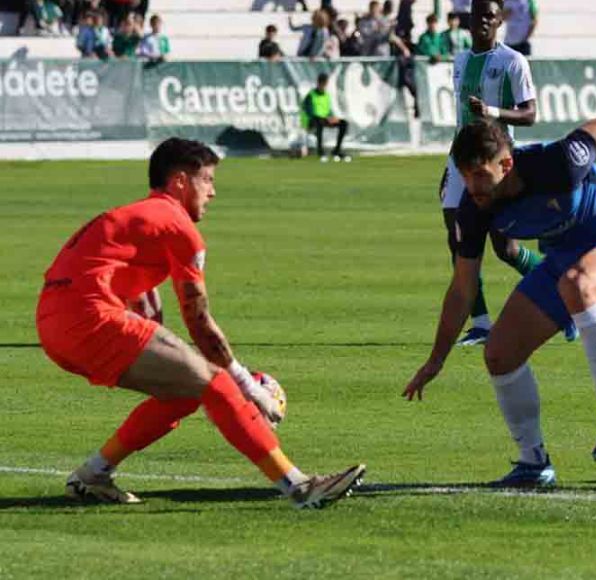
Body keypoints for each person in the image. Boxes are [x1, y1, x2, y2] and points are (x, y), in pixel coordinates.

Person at [37, 138, 365, 508]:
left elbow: (124, 281)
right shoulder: (178, 226)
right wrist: (248, 387)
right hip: (89, 319)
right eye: (206, 180)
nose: (213, 192)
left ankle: (94, 474)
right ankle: (301, 487)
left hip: (54, 324)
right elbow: (200, 323)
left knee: (183, 392)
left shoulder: (143, 217)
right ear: (180, 181)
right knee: (216, 380)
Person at [403, 89, 596, 487]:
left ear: (506, 163)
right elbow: (462, 288)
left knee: (578, 284)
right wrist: (435, 360)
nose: (472, 187)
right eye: (464, 176)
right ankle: (533, 463)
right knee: (500, 354)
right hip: (563, 261)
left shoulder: (559, 161)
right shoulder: (474, 210)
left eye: (480, 175)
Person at [439, 0, 546, 347]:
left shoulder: (512, 61)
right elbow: (460, 120)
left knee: (506, 248)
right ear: (468, 21)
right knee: (458, 238)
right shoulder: (460, 60)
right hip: (461, 160)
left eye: (490, 15)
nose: (483, 21)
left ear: (501, 20)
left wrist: (492, 111)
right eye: (478, 15)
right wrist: (449, 166)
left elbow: (530, 114)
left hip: (497, 162)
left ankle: (560, 291)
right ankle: (481, 322)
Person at [301, 73, 350, 162]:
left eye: (325, 84)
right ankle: (320, 152)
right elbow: (308, 111)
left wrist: (332, 117)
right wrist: (323, 118)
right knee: (319, 122)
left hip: (325, 119)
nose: (324, 86)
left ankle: (337, 150)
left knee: (343, 123)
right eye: (322, 84)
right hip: (312, 120)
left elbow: (328, 109)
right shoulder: (311, 95)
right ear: (319, 83)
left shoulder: (326, 95)